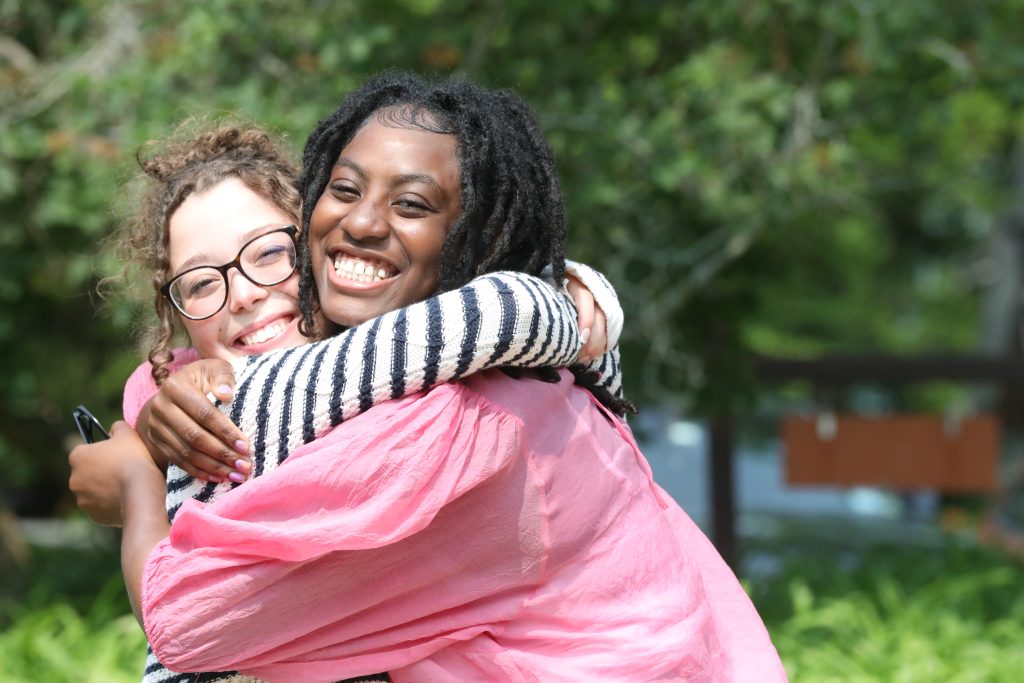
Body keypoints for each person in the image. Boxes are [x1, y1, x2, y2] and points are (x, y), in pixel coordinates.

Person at [72, 72, 786, 682]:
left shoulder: (443, 425)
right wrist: (156, 413)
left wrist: (141, 476)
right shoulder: (401, 370)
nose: (244, 294)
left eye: (267, 254)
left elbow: (187, 627)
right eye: (200, 282)